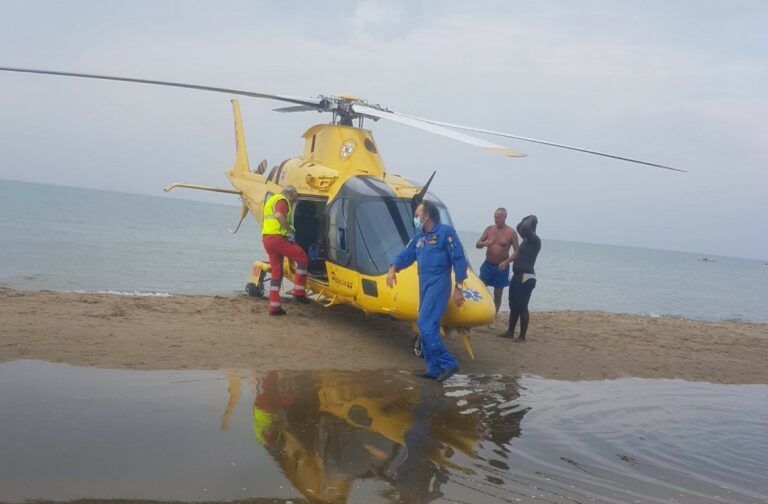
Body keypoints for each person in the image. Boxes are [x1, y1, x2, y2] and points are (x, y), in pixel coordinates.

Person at [386, 200, 467, 382]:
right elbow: (406, 255)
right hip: (425, 284)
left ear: (427, 215)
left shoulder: (446, 233)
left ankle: (448, 362)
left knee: (425, 323)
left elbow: (459, 259)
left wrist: (459, 288)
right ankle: (434, 368)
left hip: (440, 283)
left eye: (417, 214)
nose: (415, 218)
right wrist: (393, 267)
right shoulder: (419, 237)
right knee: (428, 325)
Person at [262, 186, 310, 315]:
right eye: (293, 200)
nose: (293, 203)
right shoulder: (282, 200)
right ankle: (299, 293)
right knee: (302, 257)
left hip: (267, 239)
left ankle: (274, 307)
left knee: (277, 272)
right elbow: (279, 215)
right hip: (277, 239)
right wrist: (290, 231)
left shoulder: (271, 200)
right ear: (290, 195)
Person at [497, 215, 541, 342]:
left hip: (526, 277)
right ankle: (510, 331)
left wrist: (532, 218)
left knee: (522, 306)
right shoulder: (525, 240)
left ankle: (522, 336)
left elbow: (526, 227)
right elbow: (519, 227)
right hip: (517, 276)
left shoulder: (535, 240)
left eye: (526, 223)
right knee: (513, 304)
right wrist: (525, 219)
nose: (523, 227)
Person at [475, 208, 519, 318]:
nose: (496, 219)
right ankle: (479, 312)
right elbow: (477, 244)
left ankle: (492, 317)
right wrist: (484, 243)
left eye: (498, 217)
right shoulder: (489, 229)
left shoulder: (511, 232)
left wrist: (506, 262)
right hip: (487, 265)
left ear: (505, 217)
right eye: (495, 217)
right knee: (480, 290)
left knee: (498, 294)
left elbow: (517, 252)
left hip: (501, 268)